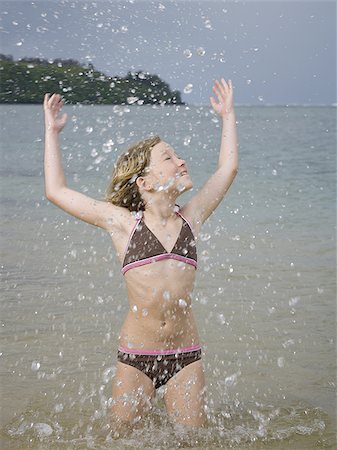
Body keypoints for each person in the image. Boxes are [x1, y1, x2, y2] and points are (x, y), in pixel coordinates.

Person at [43, 78, 238, 432]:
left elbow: (227, 170)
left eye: (177, 155)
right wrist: (52, 131)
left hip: (185, 356)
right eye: (169, 157)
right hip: (136, 358)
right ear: (144, 182)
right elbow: (56, 191)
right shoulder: (124, 225)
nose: (181, 161)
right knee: (119, 437)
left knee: (193, 439)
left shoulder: (191, 218)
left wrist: (227, 116)